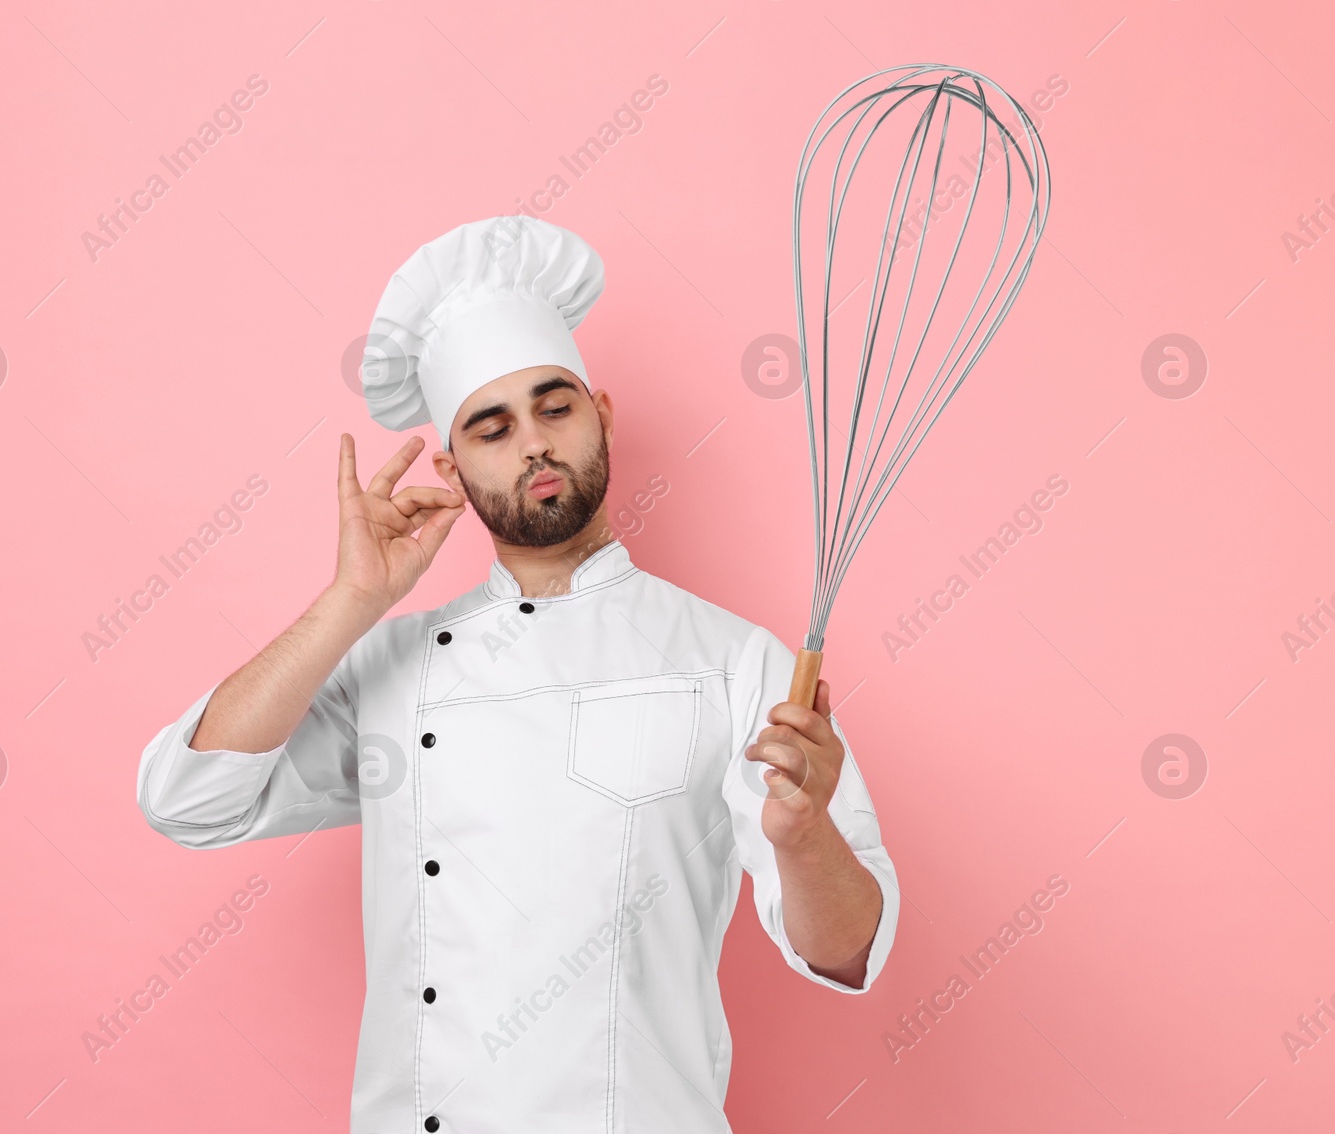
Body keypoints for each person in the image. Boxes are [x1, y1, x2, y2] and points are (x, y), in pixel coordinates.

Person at [136, 215, 898, 1132]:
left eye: (555, 407)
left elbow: (849, 952)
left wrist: (805, 833)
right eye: (493, 429)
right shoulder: (393, 664)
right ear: (453, 470)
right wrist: (352, 601)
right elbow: (187, 797)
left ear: (601, 414)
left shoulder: (732, 660)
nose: (534, 443)